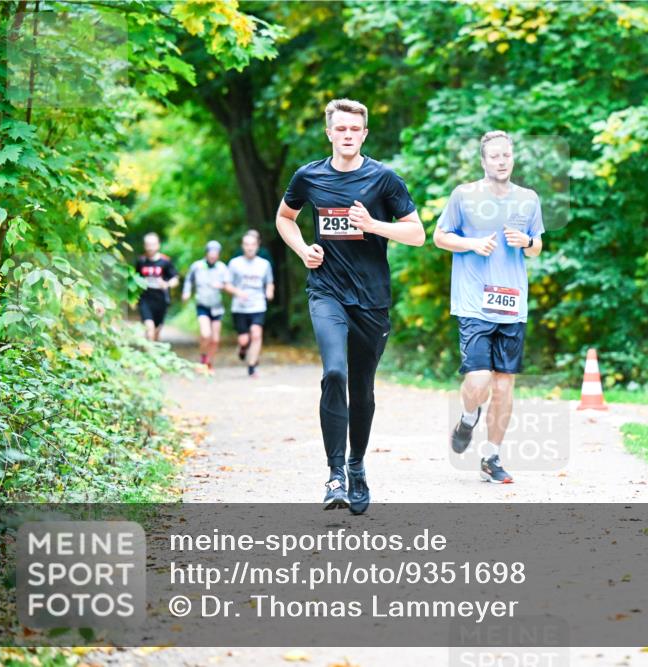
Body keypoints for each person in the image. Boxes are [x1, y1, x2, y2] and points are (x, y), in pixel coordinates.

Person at [276, 98, 424, 514]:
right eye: (339, 129)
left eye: (353, 130)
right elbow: (284, 218)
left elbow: (417, 234)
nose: (346, 136)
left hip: (372, 300)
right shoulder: (309, 176)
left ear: (363, 134)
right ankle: (335, 473)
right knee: (334, 372)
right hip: (326, 292)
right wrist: (303, 248)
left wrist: (374, 225)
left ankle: (357, 464)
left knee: (362, 389)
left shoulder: (384, 180)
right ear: (329, 132)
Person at [433, 130, 544, 484]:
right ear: (483, 161)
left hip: (513, 304)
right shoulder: (464, 196)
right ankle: (468, 416)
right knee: (479, 379)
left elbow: (536, 247)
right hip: (474, 303)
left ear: (513, 159)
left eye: (506, 155)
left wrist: (527, 241)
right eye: (494, 156)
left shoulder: (528, 199)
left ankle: (491, 457)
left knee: (505, 385)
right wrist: (471, 243)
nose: (501, 161)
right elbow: (439, 236)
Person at [227, 231, 274, 378]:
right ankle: (242, 348)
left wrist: (269, 292)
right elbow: (227, 284)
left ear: (257, 246)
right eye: (247, 245)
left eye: (252, 245)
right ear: (242, 246)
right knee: (244, 339)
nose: (249, 248)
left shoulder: (264, 264)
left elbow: (269, 282)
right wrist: (237, 292)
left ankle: (252, 366)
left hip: (258, 305)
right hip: (240, 307)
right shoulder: (234, 263)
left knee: (256, 333)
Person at [182, 240, 230, 373]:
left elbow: (228, 284)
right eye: (211, 253)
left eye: (216, 254)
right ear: (207, 253)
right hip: (202, 305)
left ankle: (209, 363)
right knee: (205, 334)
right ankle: (203, 359)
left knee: (215, 339)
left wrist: (221, 286)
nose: (213, 256)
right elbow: (188, 280)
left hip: (216, 306)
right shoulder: (197, 266)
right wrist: (186, 292)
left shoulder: (222, 267)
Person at [135, 232, 179, 342]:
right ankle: (149, 357)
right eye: (148, 244)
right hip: (145, 298)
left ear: (158, 245)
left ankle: (154, 353)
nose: (150, 247)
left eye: (153, 244)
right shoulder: (141, 261)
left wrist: (166, 284)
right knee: (149, 329)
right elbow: (134, 280)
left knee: (156, 332)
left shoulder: (165, 261)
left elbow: (175, 279)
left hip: (161, 299)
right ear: (144, 246)